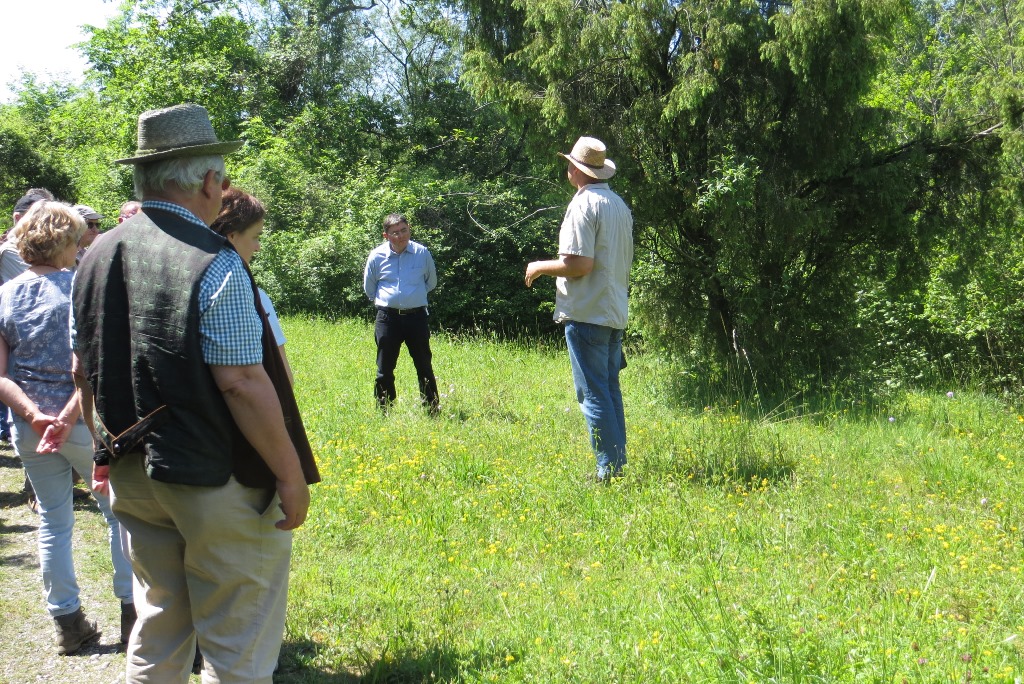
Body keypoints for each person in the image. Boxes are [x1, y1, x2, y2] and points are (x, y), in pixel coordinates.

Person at [72, 103, 320, 683]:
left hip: (134, 475)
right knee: (238, 645)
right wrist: (289, 476)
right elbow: (240, 380)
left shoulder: (94, 257)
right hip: (215, 481)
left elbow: (84, 372)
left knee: (158, 625)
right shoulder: (217, 262)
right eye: (223, 178)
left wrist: (101, 454)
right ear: (210, 182)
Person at [0, 201, 133, 654]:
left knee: (53, 522)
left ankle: (68, 624)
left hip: (29, 426)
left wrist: (36, 416)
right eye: (77, 240)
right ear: (65, 242)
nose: (81, 247)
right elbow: (92, 366)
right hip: (83, 424)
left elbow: (1, 375)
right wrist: (69, 416)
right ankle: (132, 618)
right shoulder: (81, 288)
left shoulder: (4, 294)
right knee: (118, 515)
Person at [525, 136, 634, 482]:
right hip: (614, 311)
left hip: (588, 312)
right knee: (609, 389)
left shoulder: (584, 204)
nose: (568, 169)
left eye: (570, 164)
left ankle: (609, 471)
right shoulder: (618, 204)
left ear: (577, 170)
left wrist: (540, 266)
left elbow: (579, 264)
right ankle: (617, 466)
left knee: (593, 393)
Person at [210, 187, 294, 384]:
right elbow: (281, 373)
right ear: (232, 236)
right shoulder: (250, 295)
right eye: (256, 236)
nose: (258, 247)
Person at [363, 213, 440, 415]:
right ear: (386, 235)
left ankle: (432, 408)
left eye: (404, 230)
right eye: (395, 232)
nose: (400, 236)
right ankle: (384, 409)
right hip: (388, 319)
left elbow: (431, 282)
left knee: (424, 365)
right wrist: (390, 301)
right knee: (384, 368)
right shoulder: (376, 256)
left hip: (417, 318)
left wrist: (411, 297)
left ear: (409, 229)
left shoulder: (422, 253)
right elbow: (369, 288)